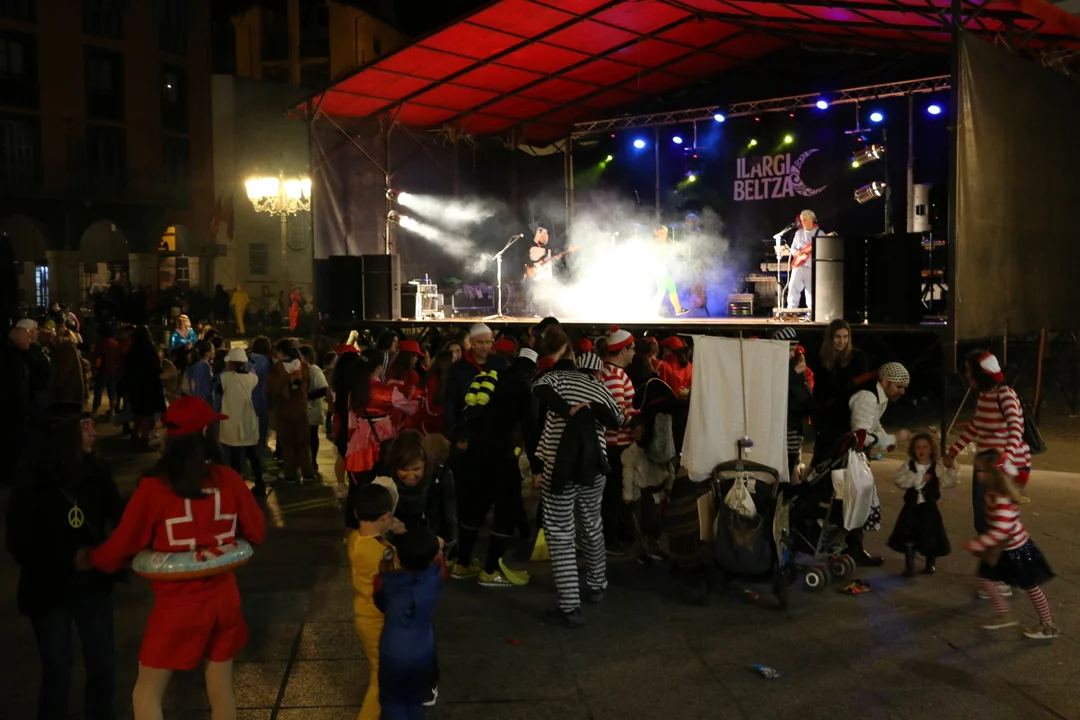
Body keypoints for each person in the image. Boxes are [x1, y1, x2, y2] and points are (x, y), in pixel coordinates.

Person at [77, 396, 267, 719]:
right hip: (224, 599)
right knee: (221, 689)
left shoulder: (155, 487)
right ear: (204, 431)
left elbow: (124, 543)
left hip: (177, 605)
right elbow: (257, 532)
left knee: (147, 692)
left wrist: (91, 558)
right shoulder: (229, 479)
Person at [6, 404, 125, 720]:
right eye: (85, 426)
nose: (94, 433)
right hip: (48, 590)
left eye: (92, 425)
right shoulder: (33, 477)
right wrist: (69, 558)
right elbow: (19, 542)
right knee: (58, 673)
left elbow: (120, 514)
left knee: (102, 668)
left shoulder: (96, 470)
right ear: (64, 434)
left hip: (93, 585)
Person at [532, 347, 625, 627]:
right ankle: (597, 585)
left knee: (560, 532)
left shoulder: (559, 379)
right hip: (593, 466)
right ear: (597, 372)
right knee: (591, 523)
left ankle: (570, 605)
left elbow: (538, 387)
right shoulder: (600, 387)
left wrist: (566, 408)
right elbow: (619, 419)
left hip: (558, 467)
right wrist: (592, 408)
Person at [445, 322, 530, 587]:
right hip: (481, 449)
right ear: (470, 343)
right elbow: (450, 408)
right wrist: (457, 438)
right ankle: (486, 567)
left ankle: (464, 563)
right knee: (490, 505)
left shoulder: (500, 365)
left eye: (489, 341)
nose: (485, 346)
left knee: (477, 505)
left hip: (491, 446)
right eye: (480, 342)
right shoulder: (460, 370)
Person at [964, 450, 1057, 639]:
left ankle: (1047, 625)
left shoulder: (1002, 498)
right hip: (1003, 549)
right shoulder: (993, 493)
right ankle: (1003, 614)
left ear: (992, 473)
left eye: (980, 470)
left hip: (1016, 551)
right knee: (985, 578)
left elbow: (1001, 530)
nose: (977, 474)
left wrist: (977, 543)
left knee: (1030, 586)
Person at [846, 361, 913, 566]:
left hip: (853, 456)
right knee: (855, 501)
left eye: (904, 387)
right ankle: (852, 550)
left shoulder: (878, 397)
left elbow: (873, 425)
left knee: (856, 501)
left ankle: (852, 549)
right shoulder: (868, 397)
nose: (902, 392)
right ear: (885, 382)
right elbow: (860, 436)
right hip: (846, 456)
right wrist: (893, 438)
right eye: (898, 386)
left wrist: (886, 440)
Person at [375, 528, 444, 719]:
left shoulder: (385, 582)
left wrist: (386, 563)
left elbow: (380, 602)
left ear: (398, 558)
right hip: (423, 650)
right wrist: (437, 546)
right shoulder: (435, 578)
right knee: (414, 699)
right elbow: (439, 561)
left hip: (393, 652)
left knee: (392, 700)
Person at [347, 483, 399, 720]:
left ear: (356, 512)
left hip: (363, 613)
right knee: (382, 678)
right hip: (379, 619)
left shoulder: (354, 539)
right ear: (387, 515)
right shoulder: (385, 553)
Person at [373, 430, 458, 555]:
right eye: (404, 469)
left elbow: (450, 511)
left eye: (416, 469)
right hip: (394, 543)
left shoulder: (440, 475)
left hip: (429, 541)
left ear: (426, 464)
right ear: (395, 466)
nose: (410, 475)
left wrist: (448, 542)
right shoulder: (384, 477)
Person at [887, 433, 958, 576]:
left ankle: (930, 564)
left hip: (929, 508)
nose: (921, 450)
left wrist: (951, 470)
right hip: (911, 507)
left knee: (930, 536)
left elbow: (948, 482)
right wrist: (917, 478)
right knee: (909, 536)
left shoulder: (936, 467)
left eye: (925, 447)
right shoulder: (909, 465)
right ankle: (909, 566)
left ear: (931, 449)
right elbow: (899, 480)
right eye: (918, 447)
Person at [811, 318, 872, 466]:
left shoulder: (857, 357)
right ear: (830, 338)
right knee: (822, 459)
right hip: (827, 415)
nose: (842, 341)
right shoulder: (822, 358)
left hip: (848, 414)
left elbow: (858, 387)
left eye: (845, 337)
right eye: (838, 337)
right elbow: (819, 389)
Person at [598, 326, 636, 556]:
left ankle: (616, 533)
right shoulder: (614, 376)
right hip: (616, 444)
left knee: (613, 493)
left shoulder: (609, 372)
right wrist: (635, 427)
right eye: (632, 348)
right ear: (623, 350)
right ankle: (609, 539)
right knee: (612, 494)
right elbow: (618, 413)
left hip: (614, 444)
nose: (634, 353)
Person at [220, 347, 266, 496]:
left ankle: (237, 485)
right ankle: (260, 483)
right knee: (252, 453)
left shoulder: (225, 377)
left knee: (234, 455)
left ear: (231, 363)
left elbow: (218, 390)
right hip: (247, 419)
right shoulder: (253, 378)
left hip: (232, 420)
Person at [268, 340, 315, 484]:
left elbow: (271, 389)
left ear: (281, 351)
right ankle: (307, 472)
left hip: (284, 410)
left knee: (287, 443)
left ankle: (290, 474)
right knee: (303, 442)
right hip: (300, 408)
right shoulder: (303, 366)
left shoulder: (276, 368)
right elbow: (307, 384)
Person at [124, 326, 168, 451]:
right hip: (149, 385)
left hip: (136, 386)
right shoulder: (150, 350)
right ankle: (144, 439)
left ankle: (134, 435)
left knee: (138, 412)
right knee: (148, 414)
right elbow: (156, 368)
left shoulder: (132, 351)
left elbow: (127, 368)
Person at [785, 209, 833, 311]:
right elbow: (793, 248)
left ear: (812, 219)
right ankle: (791, 310)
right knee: (793, 287)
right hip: (799, 265)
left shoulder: (820, 233)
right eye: (802, 220)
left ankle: (812, 312)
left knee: (811, 290)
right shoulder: (798, 233)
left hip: (812, 266)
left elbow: (824, 250)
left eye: (805, 220)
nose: (803, 222)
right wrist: (797, 253)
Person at [300, 345, 329, 474]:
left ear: (306, 357)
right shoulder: (301, 370)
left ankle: (312, 461)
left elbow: (323, 389)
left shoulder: (315, 370)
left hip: (312, 409)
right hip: (304, 409)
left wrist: (306, 396)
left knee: (312, 435)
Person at [651, 225, 688, 316]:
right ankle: (678, 309)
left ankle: (652, 311)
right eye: (661, 232)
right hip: (657, 268)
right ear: (657, 233)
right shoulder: (656, 242)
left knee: (661, 291)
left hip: (660, 268)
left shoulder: (665, 242)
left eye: (664, 232)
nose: (663, 234)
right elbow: (659, 256)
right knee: (670, 287)